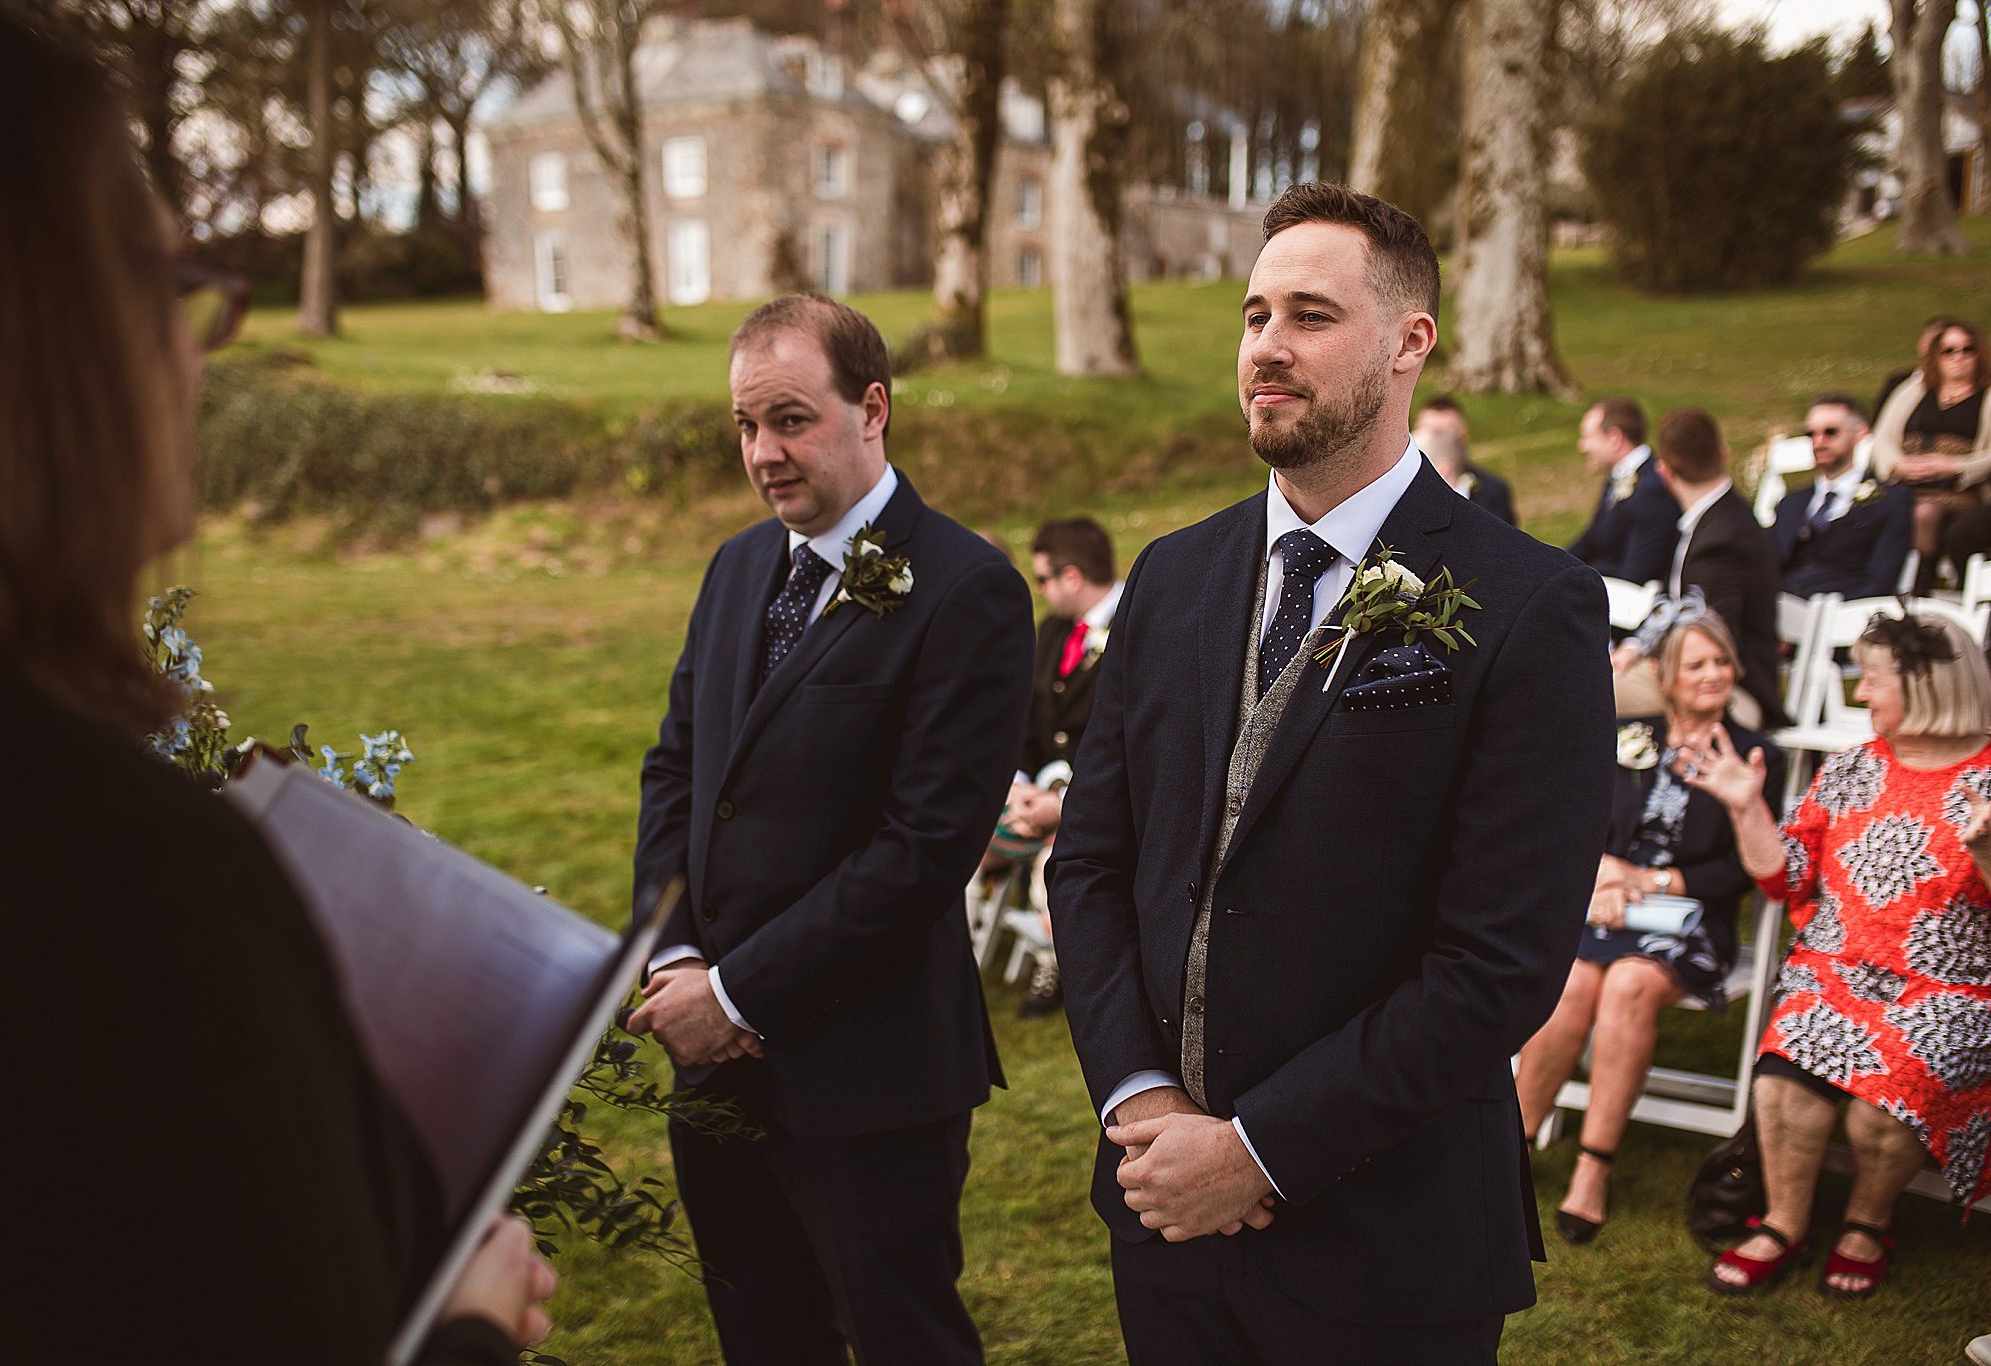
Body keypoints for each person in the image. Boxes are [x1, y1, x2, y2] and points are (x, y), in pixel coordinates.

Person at [0, 8, 551, 1361]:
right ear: (45, 336)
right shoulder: (107, 883)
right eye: (165, 285)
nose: (199, 347)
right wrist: (467, 1324)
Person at [1049, 182, 1613, 1363]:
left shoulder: (1528, 604)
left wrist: (1256, 1150)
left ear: (1411, 342)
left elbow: (1497, 963)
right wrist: (1141, 1104)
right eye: (1254, 316)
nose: (1265, 347)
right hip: (1164, 1221)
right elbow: (1094, 860)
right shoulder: (1169, 576)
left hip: (1386, 1241)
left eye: (1309, 314)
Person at [626, 293, 1034, 1365]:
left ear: (872, 408)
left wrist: (734, 994)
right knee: (761, 1335)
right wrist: (672, 950)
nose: (762, 452)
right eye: (745, 426)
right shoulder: (732, 570)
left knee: (899, 1336)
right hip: (714, 1067)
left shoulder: (968, 588)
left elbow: (922, 849)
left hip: (869, 1068)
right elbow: (678, 771)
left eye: (791, 419)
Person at [1685, 610, 1991, 1297]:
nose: (1861, 696)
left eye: (1872, 681)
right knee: (1785, 1076)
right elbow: (1784, 877)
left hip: (1953, 991)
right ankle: (1786, 1222)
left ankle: (1866, 1222)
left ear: (1924, 685)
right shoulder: (1852, 768)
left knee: (1884, 1104)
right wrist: (1745, 807)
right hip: (1837, 974)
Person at [1515, 604, 1785, 1245]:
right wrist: (1605, 874)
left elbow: (1738, 871)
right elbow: (1570, 820)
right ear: (1666, 675)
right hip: (1606, 903)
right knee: (1574, 983)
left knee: (1630, 984)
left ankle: (1593, 1167)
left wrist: (1650, 882)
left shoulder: (1752, 754)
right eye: (1697, 663)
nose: (1714, 674)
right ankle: (1510, 1151)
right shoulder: (1623, 732)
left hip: (1690, 920)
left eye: (1722, 661)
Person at [997, 516, 1125, 1017]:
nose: (1041, 590)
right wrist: (1017, 785)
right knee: (961, 839)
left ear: (1071, 577)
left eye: (1043, 579)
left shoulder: (1138, 624)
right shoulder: (1051, 630)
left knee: (1051, 862)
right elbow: (1025, 718)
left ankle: (1061, 960)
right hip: (1036, 794)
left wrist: (1065, 803)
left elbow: (1131, 745)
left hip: (1103, 804)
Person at [1612, 409, 1789, 730]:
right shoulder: (1714, 521)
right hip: (1690, 671)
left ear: (1664, 471)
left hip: (1732, 692)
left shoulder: (1723, 537)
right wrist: (1636, 646)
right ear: (1723, 455)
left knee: (1582, 690)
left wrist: (1652, 658)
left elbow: (1710, 633)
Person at [1872, 318, 1991, 592]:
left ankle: (1919, 586)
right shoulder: (1913, 390)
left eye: (1967, 349)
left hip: (1959, 489)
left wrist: (1954, 466)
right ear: (1935, 355)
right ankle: (1875, 586)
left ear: (1980, 353)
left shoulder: (1986, 396)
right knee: (1877, 511)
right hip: (1905, 481)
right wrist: (1898, 465)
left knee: (1925, 513)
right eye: (1948, 350)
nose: (1958, 357)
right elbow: (1883, 438)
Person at [1774, 394, 1913, 600]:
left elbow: (1881, 579)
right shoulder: (1791, 503)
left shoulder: (1889, 499)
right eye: (1811, 434)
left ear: (1860, 433)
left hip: (1845, 611)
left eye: (1830, 432)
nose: (1819, 442)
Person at [1568, 396, 1681, 585]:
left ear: (1614, 438)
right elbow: (1592, 538)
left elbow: (1638, 573)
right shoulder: (1618, 477)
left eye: (1587, 437)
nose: (1582, 446)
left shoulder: (1652, 490)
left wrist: (1580, 578)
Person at [1413, 395, 1517, 525]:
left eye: (1448, 432)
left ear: (1464, 432)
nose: (1440, 443)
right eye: (1431, 433)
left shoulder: (1492, 491)